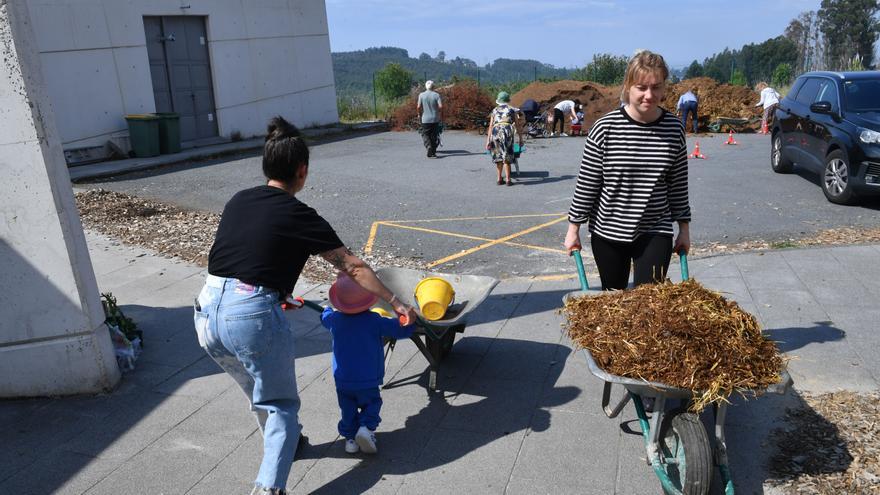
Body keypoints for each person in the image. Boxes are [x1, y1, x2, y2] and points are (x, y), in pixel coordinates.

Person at [193, 116, 417, 495]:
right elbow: (353, 267)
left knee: (258, 394)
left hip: (206, 311)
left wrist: (278, 293)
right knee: (279, 404)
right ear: (302, 170)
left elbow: (238, 256)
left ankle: (289, 443)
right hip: (249, 317)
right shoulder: (299, 215)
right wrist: (395, 302)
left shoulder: (239, 200)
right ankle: (269, 489)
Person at [564, 50, 691, 291]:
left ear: (664, 88)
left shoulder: (674, 129)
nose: (649, 95)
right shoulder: (605, 128)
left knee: (650, 304)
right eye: (641, 87)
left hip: (655, 228)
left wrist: (684, 230)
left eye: (656, 87)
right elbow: (588, 184)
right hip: (609, 230)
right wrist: (573, 229)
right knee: (615, 305)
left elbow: (678, 184)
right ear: (628, 87)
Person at [320, 272, 415, 455]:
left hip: (343, 379)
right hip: (368, 378)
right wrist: (410, 322)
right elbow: (401, 331)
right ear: (368, 300)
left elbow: (324, 317)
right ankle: (366, 428)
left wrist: (326, 309)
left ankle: (350, 440)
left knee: (347, 409)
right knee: (372, 403)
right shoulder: (374, 321)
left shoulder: (334, 320)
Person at [485, 91, 524, 186]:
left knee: (498, 155)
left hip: (496, 131)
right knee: (507, 154)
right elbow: (518, 126)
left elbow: (490, 126)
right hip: (507, 131)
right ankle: (508, 180)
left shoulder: (494, 110)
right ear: (507, 101)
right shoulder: (512, 110)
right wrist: (520, 138)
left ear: (499, 101)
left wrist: (488, 140)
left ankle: (499, 179)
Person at [417, 80, 443, 157]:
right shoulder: (436, 95)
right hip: (435, 118)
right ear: (433, 86)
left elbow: (418, 107)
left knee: (425, 134)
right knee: (434, 135)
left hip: (425, 119)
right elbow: (441, 106)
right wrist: (440, 114)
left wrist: (419, 114)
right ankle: (433, 152)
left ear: (426, 86)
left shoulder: (421, 95)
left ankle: (428, 147)